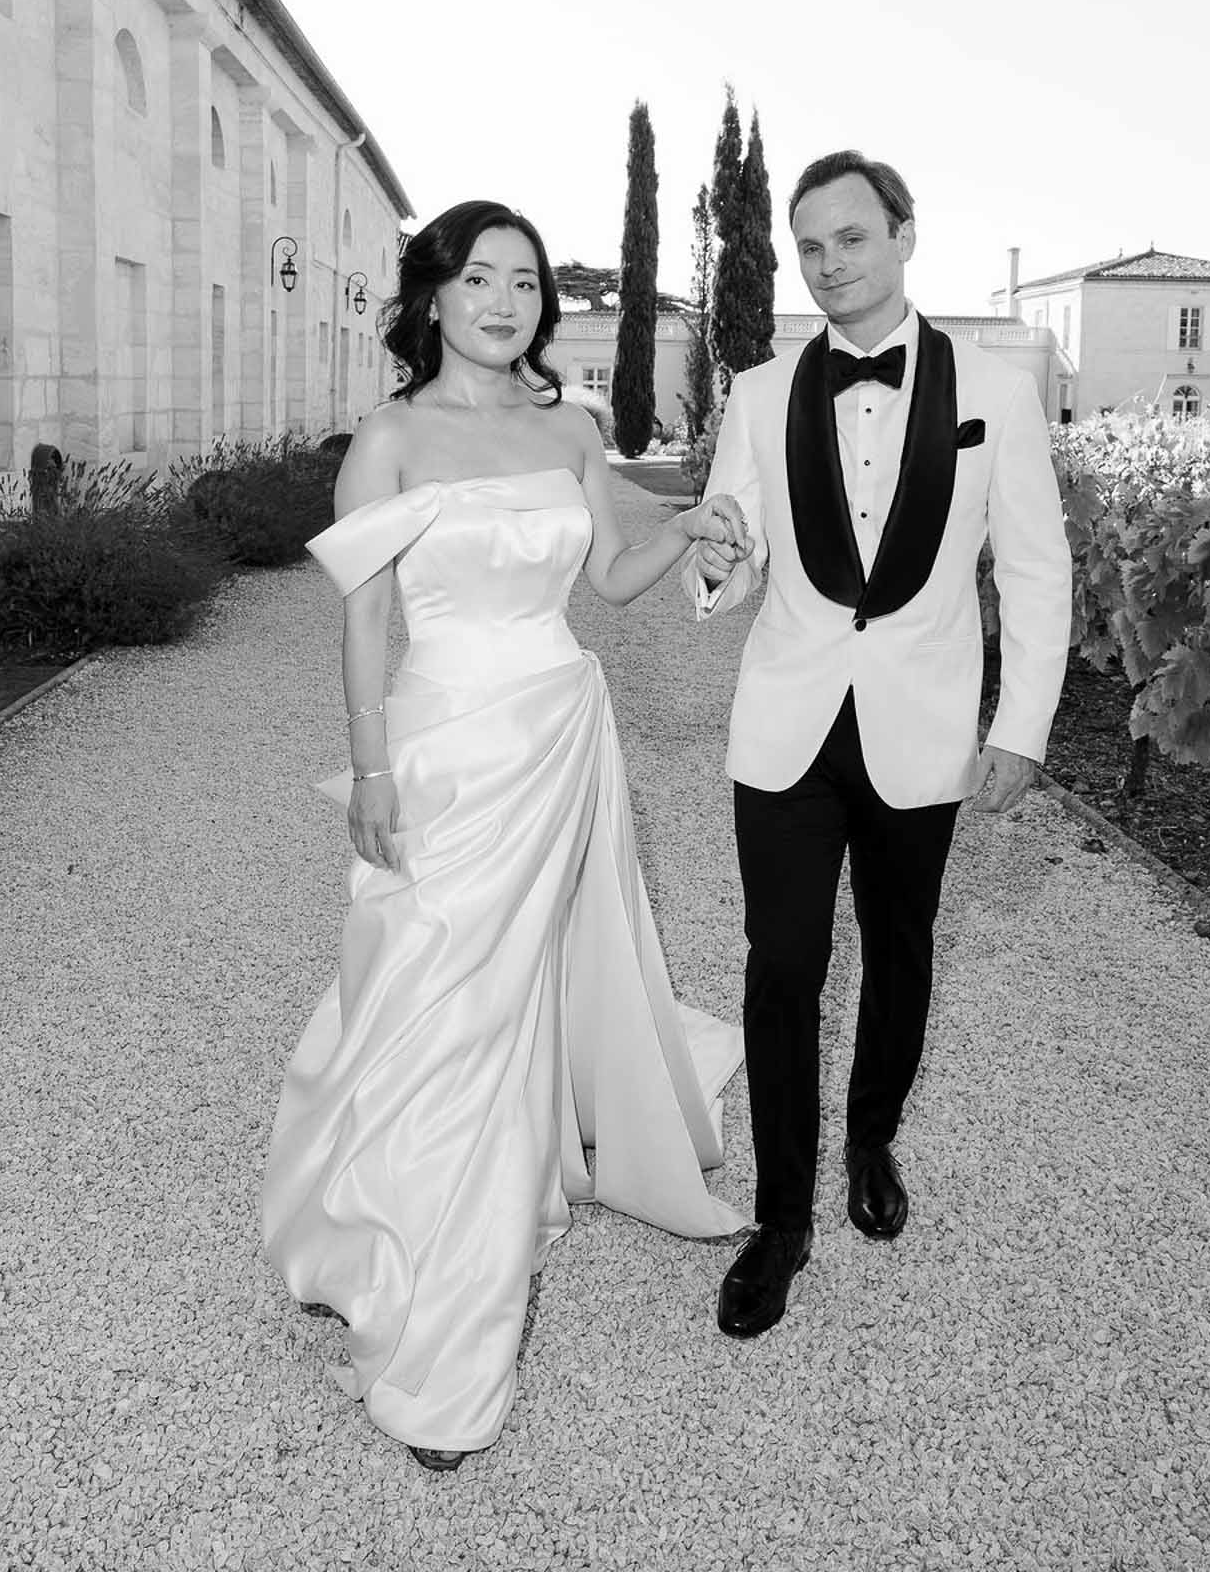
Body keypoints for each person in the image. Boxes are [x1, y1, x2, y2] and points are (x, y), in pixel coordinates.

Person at [262, 200, 751, 1471]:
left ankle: (455, 1337)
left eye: (524, 280)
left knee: (500, 1004)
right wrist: (371, 767)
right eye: (477, 276)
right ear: (433, 296)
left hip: (559, 730)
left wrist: (684, 528)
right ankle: (385, 1236)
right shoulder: (389, 437)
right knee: (431, 997)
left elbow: (608, 581)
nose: (503, 298)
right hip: (443, 748)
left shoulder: (569, 427)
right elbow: (365, 620)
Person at [683, 150, 1072, 1340]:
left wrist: (1022, 728)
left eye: (850, 236)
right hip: (787, 725)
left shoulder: (996, 387)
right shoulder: (756, 391)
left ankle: (871, 1136)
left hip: (926, 722)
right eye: (809, 244)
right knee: (781, 962)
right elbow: (735, 560)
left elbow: (1039, 566)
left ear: (904, 236)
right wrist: (715, 567)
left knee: (901, 945)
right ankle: (781, 1217)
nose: (828, 261)